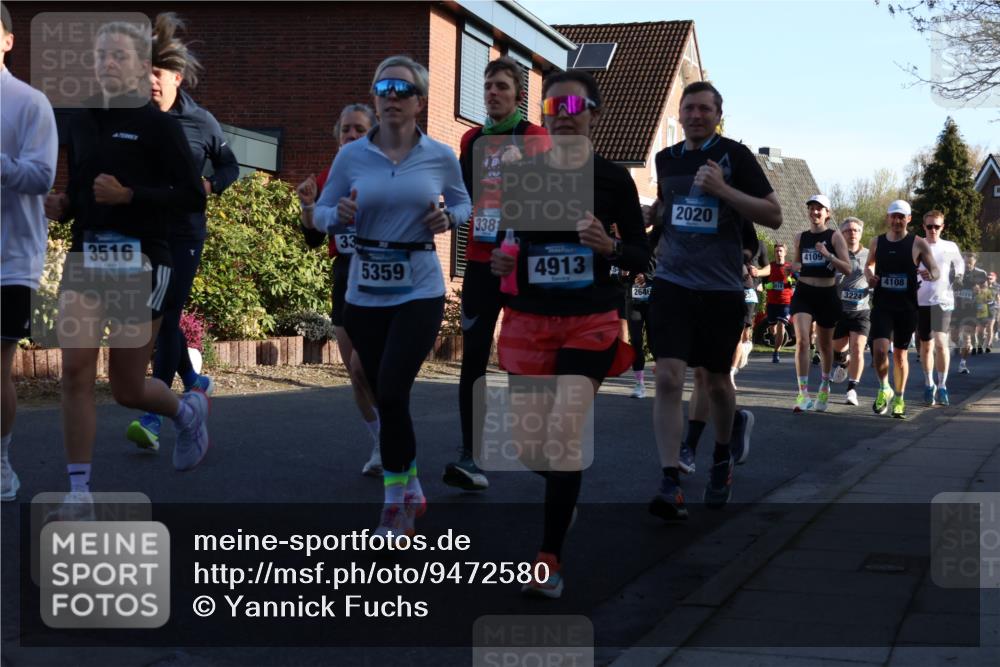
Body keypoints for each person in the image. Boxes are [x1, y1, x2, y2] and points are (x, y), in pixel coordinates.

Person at [490, 70, 650, 597]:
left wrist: (611, 247)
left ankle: (549, 561)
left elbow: (642, 255)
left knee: (563, 435)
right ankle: (566, 493)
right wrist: (503, 263)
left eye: (574, 106)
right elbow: (511, 242)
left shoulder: (614, 179)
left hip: (591, 319)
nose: (562, 115)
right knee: (528, 447)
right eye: (552, 106)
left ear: (594, 115)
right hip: (530, 318)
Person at [43, 20, 207, 515]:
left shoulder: (159, 126)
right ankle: (79, 495)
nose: (108, 63)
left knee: (127, 388)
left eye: (119, 55)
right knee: (75, 370)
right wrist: (63, 204)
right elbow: (82, 190)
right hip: (87, 258)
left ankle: (187, 413)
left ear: (140, 67)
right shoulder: (82, 121)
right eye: (101, 55)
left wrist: (130, 195)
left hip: (143, 262)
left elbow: (191, 198)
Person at [312, 56, 471, 538]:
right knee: (384, 393)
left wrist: (449, 218)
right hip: (365, 290)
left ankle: (394, 504)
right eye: (384, 89)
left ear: (420, 102)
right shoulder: (352, 157)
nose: (392, 97)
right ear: (375, 99)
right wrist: (335, 215)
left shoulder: (440, 155)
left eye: (403, 90)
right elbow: (320, 213)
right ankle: (412, 482)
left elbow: (462, 201)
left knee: (395, 390)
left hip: (419, 288)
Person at [647, 81, 782, 518]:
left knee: (717, 382)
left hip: (720, 289)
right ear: (680, 113)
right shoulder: (666, 159)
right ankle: (670, 480)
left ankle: (721, 455)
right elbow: (668, 209)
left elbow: (774, 215)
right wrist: (653, 216)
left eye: (705, 109)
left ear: (718, 115)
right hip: (672, 282)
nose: (696, 115)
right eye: (689, 108)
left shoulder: (735, 156)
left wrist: (724, 190)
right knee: (668, 378)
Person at [126, 13, 238, 452]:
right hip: (143, 232)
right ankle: (194, 380)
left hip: (184, 233)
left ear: (176, 77)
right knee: (152, 319)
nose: (150, 82)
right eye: (145, 73)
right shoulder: (134, 118)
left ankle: (154, 418)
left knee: (168, 317)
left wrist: (210, 185)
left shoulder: (201, 121)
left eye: (157, 73)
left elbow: (229, 166)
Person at [445, 56, 548, 491]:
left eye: (502, 86)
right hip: (481, 262)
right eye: (488, 86)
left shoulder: (535, 138)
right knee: (473, 357)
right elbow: (462, 196)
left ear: (518, 95)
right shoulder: (471, 139)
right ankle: (471, 455)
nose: (493, 93)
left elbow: (550, 199)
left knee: (524, 358)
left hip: (523, 264)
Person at [297, 103, 382, 476]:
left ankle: (394, 439)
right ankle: (381, 442)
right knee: (355, 374)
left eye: (360, 129)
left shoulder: (386, 172)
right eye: (346, 129)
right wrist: (308, 206)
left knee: (366, 367)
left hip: (379, 276)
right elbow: (313, 238)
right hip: (344, 274)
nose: (351, 135)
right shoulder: (329, 177)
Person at [1, 3, 59, 502]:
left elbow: (41, 176)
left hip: (10, 259)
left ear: (7, 41)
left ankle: (1, 463)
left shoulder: (29, 102)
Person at [865, 200, 939, 418]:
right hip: (882, 305)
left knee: (899, 355)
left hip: (907, 308)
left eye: (901, 217)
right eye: (893, 216)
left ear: (908, 219)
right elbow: (868, 265)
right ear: (888, 218)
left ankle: (899, 398)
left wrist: (931, 274)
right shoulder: (877, 242)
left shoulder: (918, 243)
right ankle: (884, 388)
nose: (897, 221)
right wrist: (870, 276)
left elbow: (935, 269)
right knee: (879, 350)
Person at [789, 194, 851, 413]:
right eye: (812, 208)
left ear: (827, 213)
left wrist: (828, 256)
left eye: (819, 208)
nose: (815, 212)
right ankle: (803, 394)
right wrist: (794, 267)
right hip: (804, 293)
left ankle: (824, 385)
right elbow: (796, 263)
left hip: (826, 295)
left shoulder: (834, 237)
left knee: (825, 346)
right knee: (802, 341)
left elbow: (848, 268)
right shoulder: (800, 237)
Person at [914, 210, 963, 406]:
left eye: (937, 226)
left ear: (942, 227)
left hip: (943, 300)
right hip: (920, 301)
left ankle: (942, 386)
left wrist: (957, 277)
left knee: (941, 342)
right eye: (929, 226)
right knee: (926, 346)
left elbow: (960, 265)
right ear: (924, 227)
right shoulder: (917, 245)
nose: (933, 230)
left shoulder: (949, 246)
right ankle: (929, 384)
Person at [830, 217, 871, 406]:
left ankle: (852, 389)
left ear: (861, 233)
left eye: (855, 230)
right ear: (842, 234)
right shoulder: (836, 255)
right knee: (838, 350)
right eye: (847, 230)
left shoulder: (870, 255)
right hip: (839, 310)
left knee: (857, 348)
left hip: (861, 311)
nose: (852, 233)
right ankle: (843, 363)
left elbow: (877, 275)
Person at [628, 204, 661, 399]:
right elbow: (621, 266)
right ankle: (639, 384)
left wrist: (647, 277)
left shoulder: (659, 240)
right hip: (633, 297)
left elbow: (666, 267)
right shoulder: (630, 240)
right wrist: (625, 273)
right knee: (636, 340)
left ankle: (662, 380)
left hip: (654, 297)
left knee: (655, 339)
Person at [732, 222, 768, 388]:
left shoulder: (759, 244)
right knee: (735, 332)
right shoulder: (730, 240)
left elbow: (768, 268)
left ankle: (740, 354)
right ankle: (741, 351)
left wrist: (758, 272)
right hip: (731, 288)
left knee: (743, 330)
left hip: (749, 290)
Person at [955, 252, 987, 374]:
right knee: (954, 337)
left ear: (975, 262)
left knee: (967, 339)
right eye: (965, 262)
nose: (967, 265)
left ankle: (962, 363)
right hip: (956, 309)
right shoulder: (956, 272)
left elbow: (986, 290)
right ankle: (961, 344)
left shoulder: (981, 273)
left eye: (970, 262)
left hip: (971, 310)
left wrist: (980, 291)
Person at [763, 242, 795, 363]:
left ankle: (776, 352)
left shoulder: (789, 268)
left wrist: (792, 281)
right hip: (772, 303)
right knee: (773, 328)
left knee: (781, 325)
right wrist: (767, 286)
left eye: (781, 251)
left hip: (785, 303)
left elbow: (798, 280)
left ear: (785, 253)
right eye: (777, 251)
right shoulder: (770, 267)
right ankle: (776, 338)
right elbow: (763, 282)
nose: (778, 253)